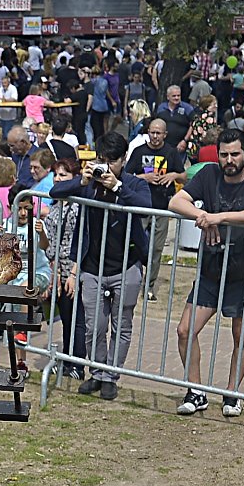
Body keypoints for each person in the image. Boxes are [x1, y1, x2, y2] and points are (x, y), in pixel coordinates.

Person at [169, 129, 244, 416]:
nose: (229, 160)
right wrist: (201, 216)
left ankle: (232, 393)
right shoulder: (208, 174)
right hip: (211, 268)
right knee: (184, 330)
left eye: (235, 154)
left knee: (242, 335)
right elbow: (176, 202)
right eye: (224, 154)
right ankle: (196, 391)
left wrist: (221, 217)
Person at [49, 131, 149, 399]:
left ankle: (110, 376)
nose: (106, 166)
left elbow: (146, 204)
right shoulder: (89, 182)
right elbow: (54, 190)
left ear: (124, 159)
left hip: (126, 265)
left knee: (121, 324)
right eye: (102, 159)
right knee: (94, 326)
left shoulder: (132, 183)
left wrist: (117, 186)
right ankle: (96, 371)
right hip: (92, 267)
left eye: (112, 161)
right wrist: (81, 179)